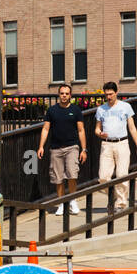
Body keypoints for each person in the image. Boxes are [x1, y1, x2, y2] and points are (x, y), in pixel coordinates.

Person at [37, 82, 87, 215]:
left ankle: (72, 201)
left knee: (72, 174)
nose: (64, 96)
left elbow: (81, 130)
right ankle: (61, 203)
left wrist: (84, 149)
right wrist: (41, 146)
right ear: (59, 95)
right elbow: (46, 129)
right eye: (62, 93)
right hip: (56, 148)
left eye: (66, 94)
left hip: (72, 147)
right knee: (58, 178)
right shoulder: (52, 110)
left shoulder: (76, 110)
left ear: (70, 95)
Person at [95, 81, 137, 212]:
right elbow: (97, 129)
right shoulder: (101, 109)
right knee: (103, 177)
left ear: (116, 93)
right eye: (106, 95)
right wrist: (100, 133)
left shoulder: (125, 107)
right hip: (107, 144)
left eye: (111, 94)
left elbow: (132, 128)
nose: (109, 97)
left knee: (122, 175)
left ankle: (121, 204)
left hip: (122, 143)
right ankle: (114, 197)